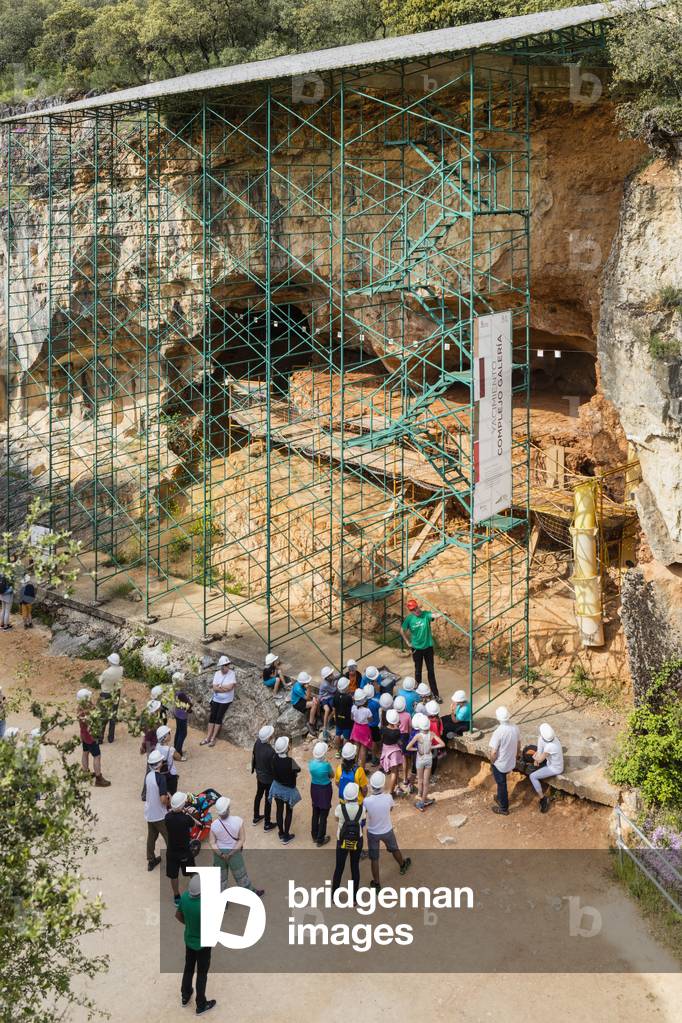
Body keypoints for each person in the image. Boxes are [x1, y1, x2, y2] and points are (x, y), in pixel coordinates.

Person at [176, 873, 217, 1015]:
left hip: (189, 940)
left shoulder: (185, 897)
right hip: (203, 944)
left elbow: (178, 915)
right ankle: (201, 1004)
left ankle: (185, 995)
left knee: (188, 967)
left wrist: (189, 925)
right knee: (201, 973)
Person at [364, 771, 411, 889]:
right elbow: (390, 809)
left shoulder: (367, 801)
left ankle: (376, 883)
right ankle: (402, 865)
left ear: (371, 785)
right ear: (383, 785)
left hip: (373, 832)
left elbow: (365, 813)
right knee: (394, 849)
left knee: (374, 859)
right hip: (387, 830)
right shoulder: (388, 797)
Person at [208, 796, 264, 893]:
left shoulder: (214, 825)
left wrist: (221, 854)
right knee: (241, 876)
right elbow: (242, 840)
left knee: (220, 879)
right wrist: (231, 853)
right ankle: (249, 892)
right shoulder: (238, 821)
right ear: (228, 809)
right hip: (234, 853)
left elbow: (212, 843)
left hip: (219, 854)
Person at [400, 598, 442, 700]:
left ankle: (435, 694)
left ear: (418, 606)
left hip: (428, 648)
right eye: (413, 610)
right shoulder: (409, 619)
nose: (416, 611)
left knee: (431, 671)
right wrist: (407, 642)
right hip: (416, 649)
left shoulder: (425, 614)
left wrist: (442, 613)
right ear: (410, 611)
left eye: (416, 608)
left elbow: (434, 615)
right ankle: (418, 694)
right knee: (418, 671)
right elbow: (402, 630)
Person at [331, 781, 365, 898]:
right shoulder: (362, 809)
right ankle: (354, 898)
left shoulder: (339, 808)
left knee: (339, 867)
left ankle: (334, 896)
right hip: (357, 840)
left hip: (342, 841)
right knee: (354, 867)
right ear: (356, 795)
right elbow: (363, 820)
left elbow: (336, 819)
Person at [406, 712, 444, 810]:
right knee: (426, 782)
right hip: (428, 759)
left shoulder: (418, 736)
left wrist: (417, 749)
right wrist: (433, 746)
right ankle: (423, 800)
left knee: (420, 779)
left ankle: (420, 795)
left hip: (420, 759)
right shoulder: (432, 734)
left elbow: (408, 747)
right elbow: (442, 744)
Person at [489, 705, 520, 816]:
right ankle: (500, 798)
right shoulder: (515, 727)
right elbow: (518, 744)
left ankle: (503, 808)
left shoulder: (498, 732)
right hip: (511, 761)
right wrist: (516, 757)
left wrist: (492, 762)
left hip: (500, 764)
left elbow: (493, 752)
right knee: (501, 783)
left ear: (498, 718)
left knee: (501, 784)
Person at [165, 791, 196, 905]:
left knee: (173, 875)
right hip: (185, 852)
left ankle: (176, 896)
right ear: (182, 805)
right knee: (192, 871)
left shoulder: (167, 818)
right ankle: (195, 891)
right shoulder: (185, 819)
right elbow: (192, 824)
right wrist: (186, 812)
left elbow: (173, 814)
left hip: (172, 851)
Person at [269, 735, 301, 843]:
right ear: (287, 748)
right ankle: (286, 836)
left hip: (277, 788)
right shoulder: (290, 761)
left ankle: (281, 832)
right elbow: (298, 769)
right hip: (288, 790)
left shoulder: (274, 758)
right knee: (289, 811)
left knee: (279, 810)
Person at [76, 688, 111, 787]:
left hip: (84, 734)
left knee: (85, 752)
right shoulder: (87, 711)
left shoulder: (80, 708)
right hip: (91, 736)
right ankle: (98, 778)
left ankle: (85, 772)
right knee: (97, 756)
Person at [201, 655, 236, 747]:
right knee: (212, 717)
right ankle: (208, 737)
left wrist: (220, 687)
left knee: (218, 717)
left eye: (226, 665)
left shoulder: (232, 673)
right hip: (216, 698)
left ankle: (213, 738)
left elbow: (230, 687)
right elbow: (214, 688)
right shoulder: (217, 674)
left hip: (226, 700)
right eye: (223, 666)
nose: (225, 667)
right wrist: (223, 688)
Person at [529, 722, 564, 813]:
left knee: (532, 776)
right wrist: (536, 760)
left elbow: (540, 759)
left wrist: (536, 758)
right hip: (549, 761)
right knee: (532, 757)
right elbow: (539, 750)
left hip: (555, 768)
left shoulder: (551, 746)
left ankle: (543, 798)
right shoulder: (548, 738)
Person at [144, 748, 169, 869]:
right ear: (160, 763)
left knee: (151, 837)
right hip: (160, 814)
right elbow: (163, 799)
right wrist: (170, 801)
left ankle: (151, 860)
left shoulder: (148, 776)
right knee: (169, 837)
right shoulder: (161, 778)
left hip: (149, 813)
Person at [308, 740, 334, 846]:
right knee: (323, 815)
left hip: (314, 788)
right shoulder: (326, 765)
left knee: (315, 812)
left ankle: (314, 835)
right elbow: (332, 775)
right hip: (325, 790)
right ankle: (320, 839)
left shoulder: (311, 764)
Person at [251, 724, 276, 830]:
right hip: (268, 779)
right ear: (269, 737)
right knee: (268, 799)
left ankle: (256, 816)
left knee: (258, 795)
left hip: (259, 775)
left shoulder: (257, 743)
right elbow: (273, 768)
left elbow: (254, 756)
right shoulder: (271, 751)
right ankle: (267, 823)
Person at [98, 652, 123, 743]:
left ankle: (100, 738)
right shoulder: (121, 669)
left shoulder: (106, 672)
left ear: (110, 661)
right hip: (116, 693)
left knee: (103, 715)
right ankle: (110, 737)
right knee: (113, 715)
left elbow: (100, 681)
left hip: (106, 693)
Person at [379, 708, 404, 793]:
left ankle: (396, 785)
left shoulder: (383, 729)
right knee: (394, 772)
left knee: (393, 771)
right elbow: (399, 741)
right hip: (394, 752)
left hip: (386, 750)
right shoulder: (397, 732)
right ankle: (391, 792)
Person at [289, 670, 319, 736]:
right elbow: (307, 698)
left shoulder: (301, 684)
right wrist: (308, 688)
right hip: (297, 703)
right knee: (314, 704)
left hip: (301, 698)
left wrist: (314, 697)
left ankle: (317, 716)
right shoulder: (298, 688)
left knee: (316, 700)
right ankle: (310, 723)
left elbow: (308, 694)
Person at [156, 724, 181, 796]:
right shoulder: (170, 749)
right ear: (165, 737)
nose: (170, 735)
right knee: (173, 793)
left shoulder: (157, 746)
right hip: (171, 774)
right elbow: (179, 758)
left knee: (163, 793)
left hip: (160, 774)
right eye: (169, 733)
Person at [171, 672, 192, 761]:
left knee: (179, 732)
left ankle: (175, 750)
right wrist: (190, 705)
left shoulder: (175, 689)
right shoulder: (181, 693)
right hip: (182, 715)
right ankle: (178, 753)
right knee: (183, 733)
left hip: (177, 713)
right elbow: (189, 703)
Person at [350, 689, 372, 768]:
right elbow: (370, 720)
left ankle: (354, 765)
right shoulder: (367, 710)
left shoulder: (353, 707)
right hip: (364, 729)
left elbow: (352, 718)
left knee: (356, 747)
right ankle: (362, 768)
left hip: (356, 728)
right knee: (363, 749)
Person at [332, 677, 353, 755]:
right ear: (346, 687)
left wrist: (334, 716)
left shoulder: (336, 696)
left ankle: (337, 752)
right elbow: (351, 709)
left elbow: (334, 708)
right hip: (347, 721)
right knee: (346, 737)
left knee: (338, 735)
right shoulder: (348, 698)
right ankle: (345, 753)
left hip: (338, 719)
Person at [425, 699, 444, 778]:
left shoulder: (426, 720)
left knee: (427, 759)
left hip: (427, 744)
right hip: (436, 744)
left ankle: (426, 774)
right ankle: (432, 774)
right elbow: (441, 732)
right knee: (434, 759)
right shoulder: (439, 720)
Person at [318, 666, 337, 740]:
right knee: (327, 710)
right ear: (328, 677)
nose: (333, 675)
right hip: (324, 698)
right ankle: (325, 727)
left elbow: (336, 676)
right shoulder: (325, 684)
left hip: (330, 696)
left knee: (334, 709)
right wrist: (336, 683)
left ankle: (330, 721)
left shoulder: (330, 678)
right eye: (331, 675)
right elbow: (334, 690)